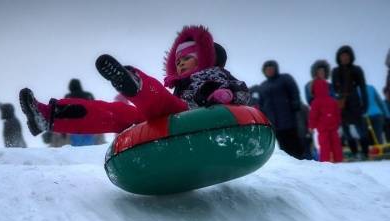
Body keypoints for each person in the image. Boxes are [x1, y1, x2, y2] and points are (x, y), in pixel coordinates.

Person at [19, 25, 250, 138]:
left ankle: (136, 83)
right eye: (178, 60)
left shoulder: (217, 75)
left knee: (165, 102)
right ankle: (49, 116)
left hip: (203, 120)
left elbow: (242, 95)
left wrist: (221, 95)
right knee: (120, 112)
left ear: (206, 58)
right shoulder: (180, 86)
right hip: (176, 124)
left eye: (187, 58)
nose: (180, 64)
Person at [258, 60, 304, 159]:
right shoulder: (263, 86)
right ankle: (290, 162)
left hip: (289, 118)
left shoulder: (285, 78)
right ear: (264, 71)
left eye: (271, 68)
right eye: (267, 69)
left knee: (294, 141)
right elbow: (261, 103)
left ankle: (300, 160)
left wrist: (296, 104)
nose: (270, 71)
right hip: (274, 122)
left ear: (276, 69)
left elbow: (294, 92)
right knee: (283, 145)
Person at [332, 45, 369, 159]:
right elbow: (334, 89)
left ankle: (364, 153)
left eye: (347, 55)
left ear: (351, 56)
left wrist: (365, 104)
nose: (344, 58)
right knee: (346, 131)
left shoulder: (356, 70)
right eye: (342, 56)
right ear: (339, 57)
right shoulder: (335, 71)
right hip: (341, 104)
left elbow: (363, 87)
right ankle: (354, 153)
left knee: (361, 129)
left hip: (355, 103)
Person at [308, 79, 343, 162]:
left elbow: (313, 116)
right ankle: (339, 161)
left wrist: (311, 126)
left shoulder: (315, 102)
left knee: (324, 147)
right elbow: (337, 114)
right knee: (336, 145)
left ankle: (325, 162)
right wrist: (338, 123)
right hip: (333, 127)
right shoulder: (332, 101)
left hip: (322, 129)